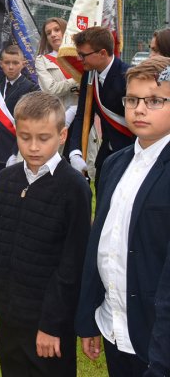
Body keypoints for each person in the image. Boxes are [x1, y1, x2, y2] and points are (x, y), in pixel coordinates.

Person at [0, 91, 91, 377]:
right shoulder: (6, 180)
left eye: (43, 138)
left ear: (62, 135)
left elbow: (72, 265)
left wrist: (52, 324)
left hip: (48, 325)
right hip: (10, 317)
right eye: (24, 137)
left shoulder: (74, 188)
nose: (33, 147)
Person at [76, 56, 170, 377]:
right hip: (114, 326)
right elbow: (101, 243)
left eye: (154, 101)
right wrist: (90, 317)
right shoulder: (115, 164)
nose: (139, 109)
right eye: (132, 100)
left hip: (156, 335)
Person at [67, 26, 134, 196]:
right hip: (106, 154)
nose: (79, 59)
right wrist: (75, 151)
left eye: (83, 55)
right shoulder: (89, 75)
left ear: (102, 53)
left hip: (130, 152)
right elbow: (83, 115)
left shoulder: (128, 76)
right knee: (101, 199)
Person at [0, 45, 39, 176]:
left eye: (15, 63)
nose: (11, 67)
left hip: (16, 152)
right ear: (1, 64)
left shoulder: (31, 88)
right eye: (7, 62)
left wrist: (16, 152)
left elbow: (29, 125)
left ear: (23, 64)